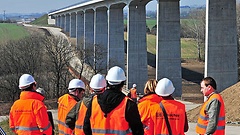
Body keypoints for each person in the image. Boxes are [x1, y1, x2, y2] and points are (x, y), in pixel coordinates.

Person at [83, 66, 144, 135]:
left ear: (107, 82)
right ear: (122, 83)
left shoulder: (94, 101)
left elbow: (86, 127)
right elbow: (138, 131)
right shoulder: (128, 104)